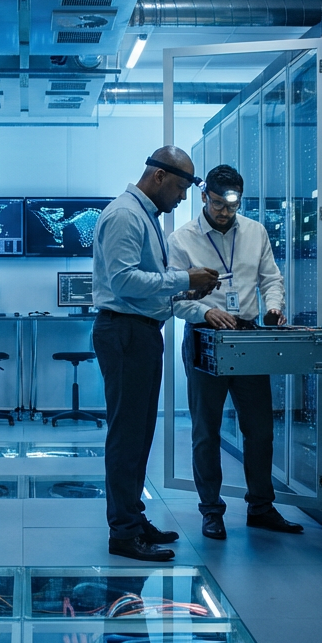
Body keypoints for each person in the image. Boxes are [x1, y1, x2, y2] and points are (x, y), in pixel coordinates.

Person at [93, 146, 219, 562]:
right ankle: (124, 532)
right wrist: (185, 276)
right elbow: (124, 280)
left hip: (140, 331)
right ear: (159, 177)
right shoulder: (126, 215)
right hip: (125, 333)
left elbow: (141, 283)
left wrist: (183, 290)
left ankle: (133, 515)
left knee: (139, 434)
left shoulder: (143, 215)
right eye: (182, 187)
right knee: (126, 436)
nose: (184, 197)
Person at [169, 164, 303, 541]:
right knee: (205, 431)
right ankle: (211, 511)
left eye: (232, 205)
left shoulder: (255, 232)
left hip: (247, 337)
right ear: (203, 196)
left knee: (259, 429)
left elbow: (271, 278)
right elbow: (175, 299)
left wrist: (273, 306)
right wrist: (204, 310)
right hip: (204, 336)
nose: (225, 212)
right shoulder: (183, 240)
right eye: (217, 204)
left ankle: (261, 506)